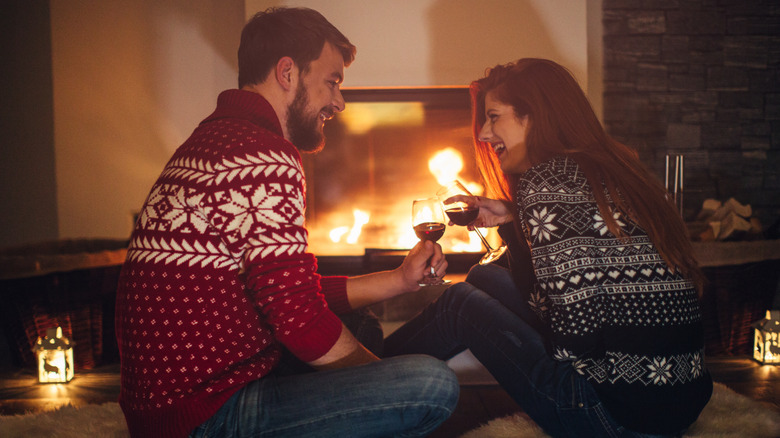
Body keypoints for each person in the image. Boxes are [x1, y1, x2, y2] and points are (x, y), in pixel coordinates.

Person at [115, 7, 458, 438]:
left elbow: (287, 291)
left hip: (173, 406)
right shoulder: (262, 154)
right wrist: (384, 383)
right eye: (332, 81)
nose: (339, 101)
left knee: (362, 327)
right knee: (429, 385)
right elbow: (298, 319)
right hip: (207, 415)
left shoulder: (214, 139)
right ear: (287, 72)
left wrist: (398, 279)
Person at [384, 58, 713, 437]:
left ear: (534, 116)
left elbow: (575, 337)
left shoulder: (545, 180)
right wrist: (513, 215)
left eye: (493, 117)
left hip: (617, 415)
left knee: (460, 304)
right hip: (674, 398)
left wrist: (514, 337)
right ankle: (372, 370)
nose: (485, 134)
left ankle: (362, 379)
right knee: (484, 277)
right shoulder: (610, 167)